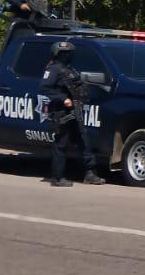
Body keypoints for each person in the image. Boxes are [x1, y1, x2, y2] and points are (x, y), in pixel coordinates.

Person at [41, 41, 105, 187]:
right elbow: (44, 87)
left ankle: (90, 173)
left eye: (69, 53)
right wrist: (64, 99)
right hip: (60, 111)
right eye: (65, 53)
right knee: (61, 143)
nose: (68, 56)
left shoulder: (68, 69)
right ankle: (57, 178)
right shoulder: (53, 69)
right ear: (59, 54)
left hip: (75, 109)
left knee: (83, 140)